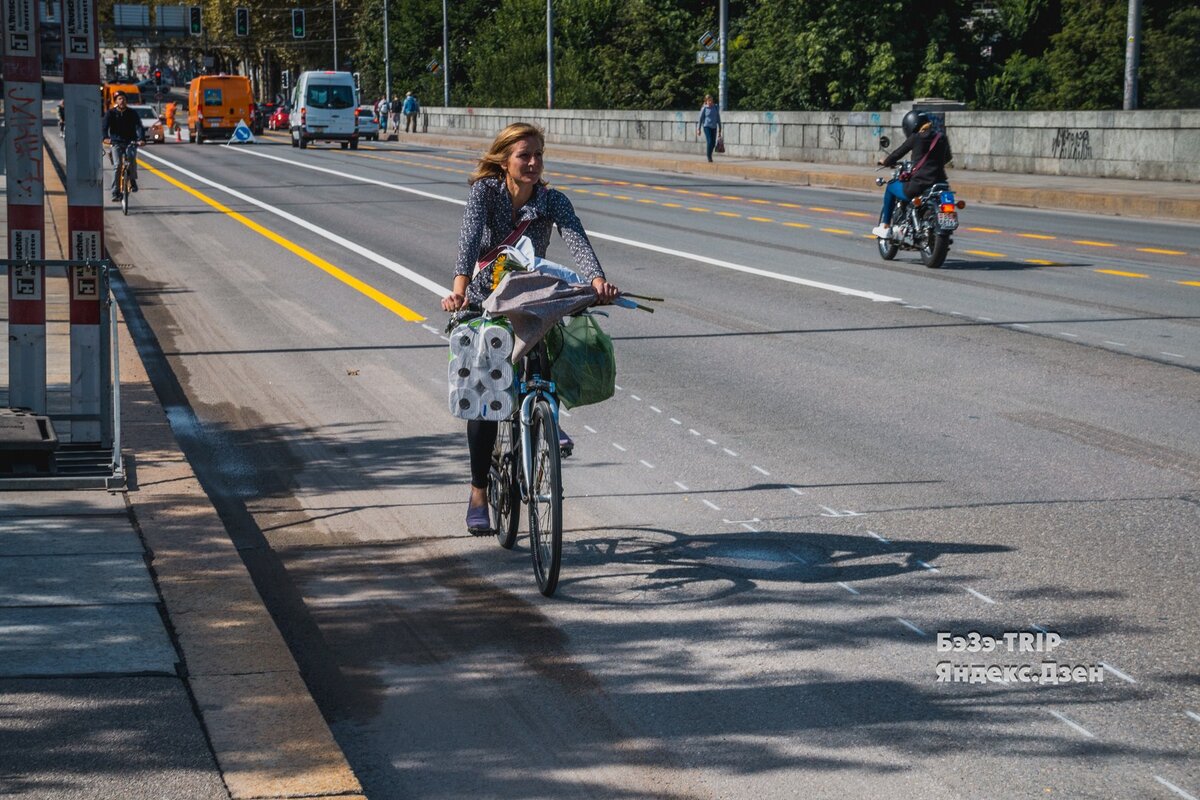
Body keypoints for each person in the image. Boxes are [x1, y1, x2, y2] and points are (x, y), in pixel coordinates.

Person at [441, 122, 619, 533]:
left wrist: (597, 282)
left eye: (538, 155)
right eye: (524, 155)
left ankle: (547, 418)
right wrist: (459, 292)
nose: (534, 163)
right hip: (485, 298)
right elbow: (468, 244)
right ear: (504, 160)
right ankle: (478, 493)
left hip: (529, 294)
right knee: (486, 398)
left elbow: (578, 241)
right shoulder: (485, 194)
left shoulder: (551, 201)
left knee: (545, 337)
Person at [872, 110, 953, 240]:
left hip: (920, 184)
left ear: (911, 126)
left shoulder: (916, 138)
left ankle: (885, 226)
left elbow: (897, 154)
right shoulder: (941, 137)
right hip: (941, 184)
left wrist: (885, 161)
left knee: (891, 186)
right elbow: (947, 158)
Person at [101, 91, 146, 201]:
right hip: (116, 142)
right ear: (116, 100)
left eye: (124, 99)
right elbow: (104, 128)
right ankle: (115, 192)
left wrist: (141, 139)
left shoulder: (132, 113)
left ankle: (132, 180)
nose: (122, 101)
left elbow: (139, 126)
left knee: (131, 159)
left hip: (130, 141)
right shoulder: (110, 113)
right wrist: (105, 138)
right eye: (119, 99)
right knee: (117, 166)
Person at [696, 94, 722, 163]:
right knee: (709, 141)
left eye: (711, 100)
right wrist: (698, 129)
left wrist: (720, 128)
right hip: (706, 126)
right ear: (706, 101)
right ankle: (709, 156)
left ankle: (710, 154)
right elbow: (700, 119)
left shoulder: (715, 107)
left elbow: (718, 118)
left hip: (714, 127)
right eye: (709, 101)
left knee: (713, 143)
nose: (710, 102)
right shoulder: (704, 108)